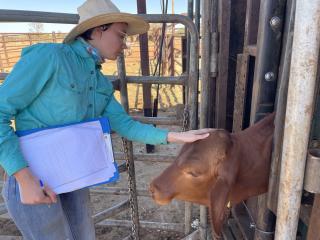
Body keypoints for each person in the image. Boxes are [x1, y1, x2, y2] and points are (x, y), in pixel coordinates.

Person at [0, 0, 209, 239]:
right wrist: (23, 178)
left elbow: (126, 125)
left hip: (73, 177)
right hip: (34, 178)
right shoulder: (50, 57)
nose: (125, 45)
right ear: (99, 29)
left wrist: (175, 136)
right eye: (121, 35)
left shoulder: (99, 82)